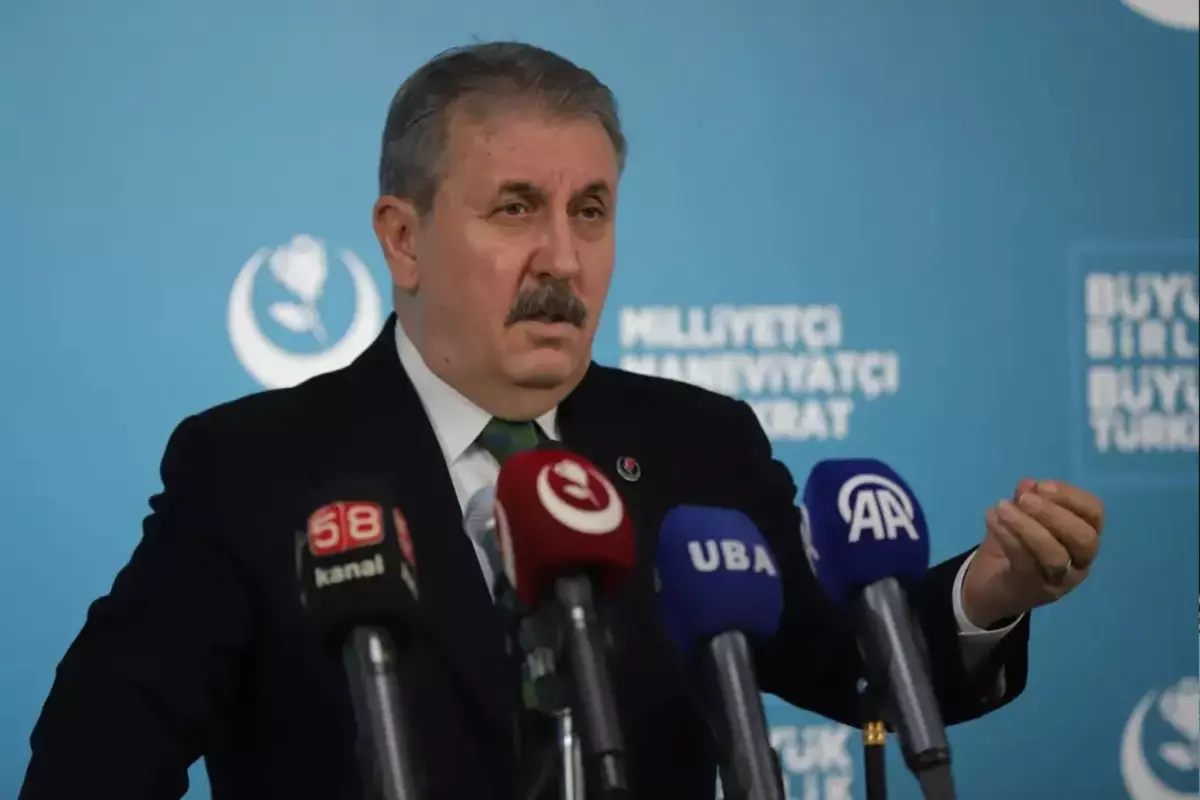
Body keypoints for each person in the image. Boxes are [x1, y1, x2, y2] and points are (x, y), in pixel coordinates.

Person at [20, 41, 1105, 800]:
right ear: (402, 239)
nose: (563, 258)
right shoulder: (253, 468)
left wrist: (988, 591)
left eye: (591, 210)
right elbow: (96, 758)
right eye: (515, 209)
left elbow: (853, 663)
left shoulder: (697, 448)